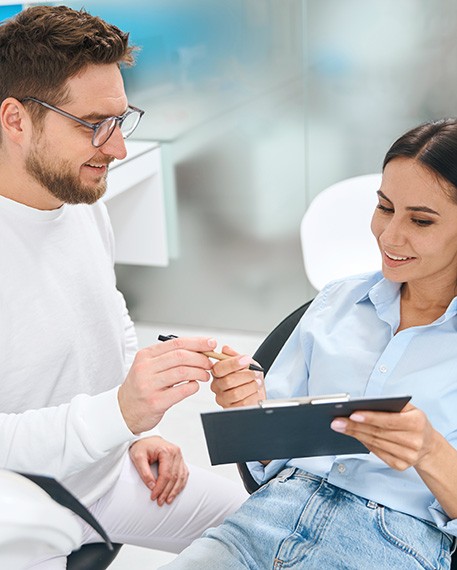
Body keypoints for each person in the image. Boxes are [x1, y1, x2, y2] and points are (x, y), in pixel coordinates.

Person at [0, 5, 247, 568]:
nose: (117, 149)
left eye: (121, 119)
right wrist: (119, 415)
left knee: (284, 525)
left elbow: (108, 317)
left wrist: (129, 433)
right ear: (15, 119)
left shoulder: (79, 202)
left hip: (109, 477)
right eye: (93, 126)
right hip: (20, 504)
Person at [161, 119, 457, 570]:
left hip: (392, 543)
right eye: (384, 207)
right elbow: (268, 458)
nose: (390, 236)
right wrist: (248, 408)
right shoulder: (337, 303)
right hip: (269, 517)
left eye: (420, 220)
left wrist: (431, 452)